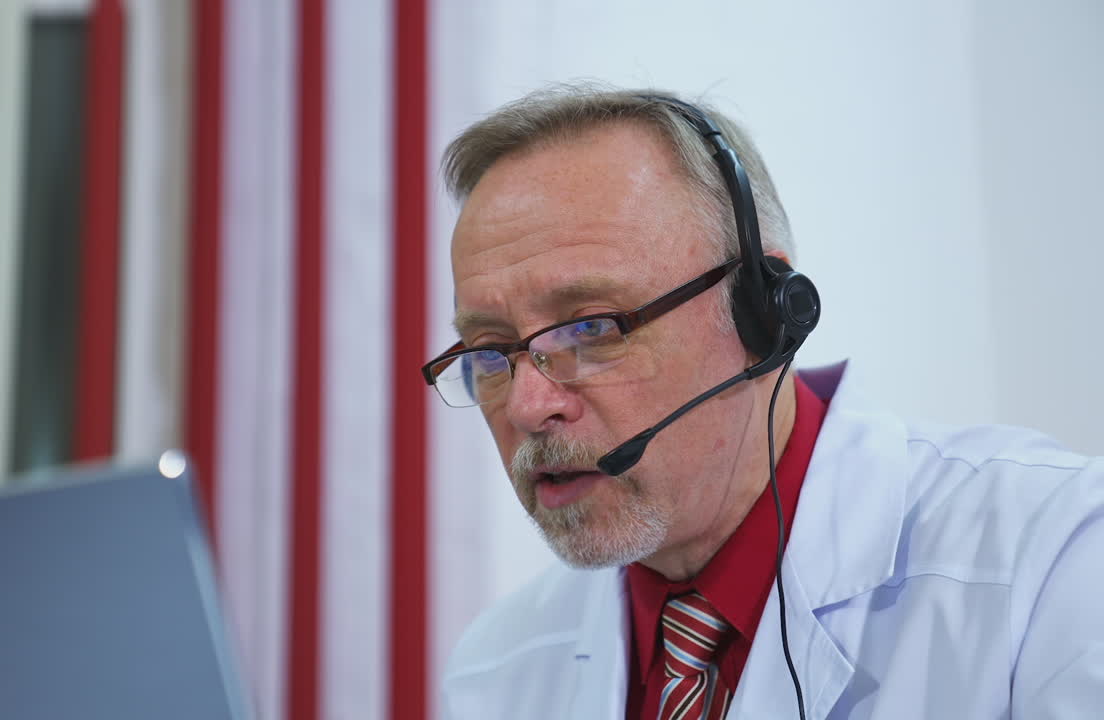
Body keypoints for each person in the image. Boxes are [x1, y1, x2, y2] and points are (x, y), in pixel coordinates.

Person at [423, 84, 1104, 719]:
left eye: (592, 328)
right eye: (489, 352)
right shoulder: (495, 671)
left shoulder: (1051, 560)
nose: (526, 407)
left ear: (763, 315)